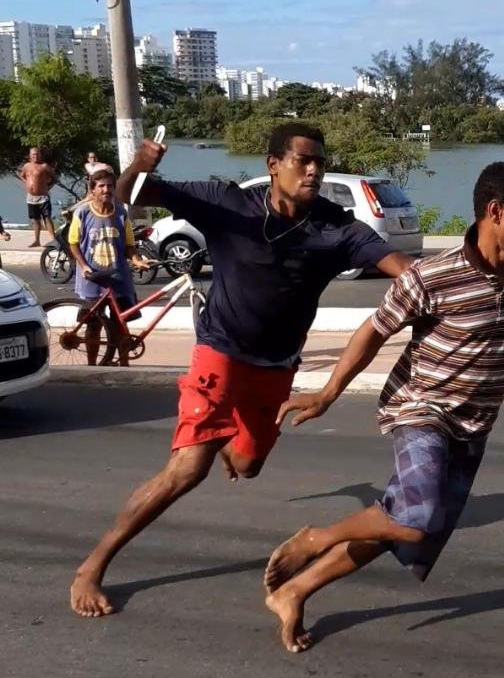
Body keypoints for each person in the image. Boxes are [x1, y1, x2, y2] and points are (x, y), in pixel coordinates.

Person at [70, 122, 413, 619]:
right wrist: (140, 166)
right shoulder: (227, 203)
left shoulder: (335, 228)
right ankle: (93, 566)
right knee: (189, 468)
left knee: (248, 464)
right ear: (273, 165)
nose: (314, 169)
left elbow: (403, 269)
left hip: (276, 366)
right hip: (221, 351)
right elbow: (132, 197)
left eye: (320, 160)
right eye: (303, 161)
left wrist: (455, 286)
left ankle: (226, 438)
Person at [263, 161, 504, 654]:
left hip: (473, 423)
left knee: (402, 529)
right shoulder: (432, 276)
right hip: (421, 408)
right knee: (415, 515)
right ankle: (315, 537)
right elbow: (374, 331)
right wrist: (328, 393)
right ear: (496, 212)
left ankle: (294, 591)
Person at [68, 166, 146, 367]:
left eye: (110, 186)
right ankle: (92, 366)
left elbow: (129, 245)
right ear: (92, 190)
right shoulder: (83, 213)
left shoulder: (121, 214)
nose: (106, 190)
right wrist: (84, 266)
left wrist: (136, 260)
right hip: (92, 279)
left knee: (121, 325)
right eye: (101, 186)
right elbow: (73, 243)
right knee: (93, 325)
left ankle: (125, 365)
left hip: (118, 278)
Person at [17, 146, 56, 247]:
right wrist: (27, 183)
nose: (35, 156)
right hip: (31, 198)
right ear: (30, 156)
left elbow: (54, 178)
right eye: (33, 154)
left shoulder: (44, 166)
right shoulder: (26, 166)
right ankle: (37, 240)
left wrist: (49, 187)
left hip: (43, 197)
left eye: (37, 154)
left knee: (47, 218)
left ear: (40, 155)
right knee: (35, 220)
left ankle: (54, 239)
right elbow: (22, 175)